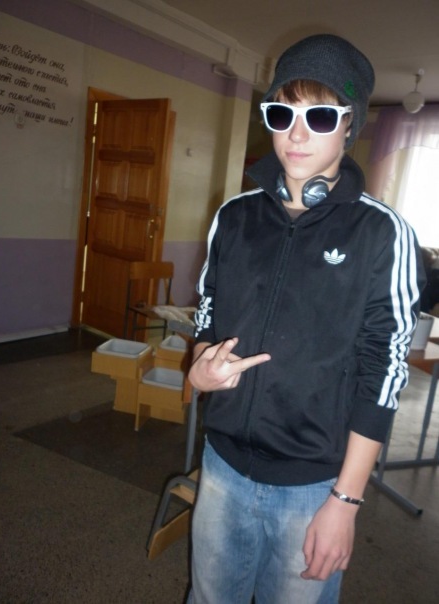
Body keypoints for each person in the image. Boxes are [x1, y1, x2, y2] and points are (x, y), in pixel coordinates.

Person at [187, 34, 425, 604]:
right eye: (282, 113)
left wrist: (345, 501)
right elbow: (207, 319)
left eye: (318, 116)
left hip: (314, 485)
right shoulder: (234, 218)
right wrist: (198, 370)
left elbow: (385, 371)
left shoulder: (382, 233)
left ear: (350, 125)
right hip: (222, 466)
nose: (296, 134)